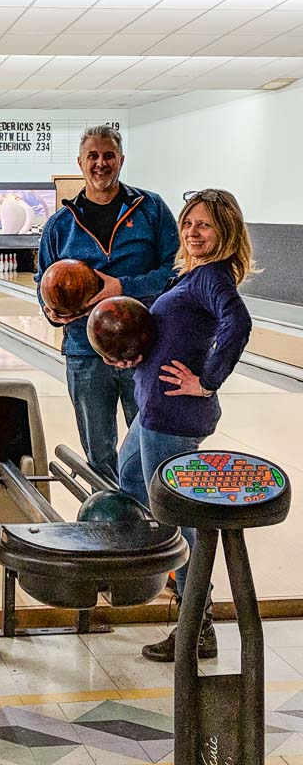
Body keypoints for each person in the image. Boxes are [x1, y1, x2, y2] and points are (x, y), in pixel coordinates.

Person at [117, 189, 253, 662]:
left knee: (179, 518)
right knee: (130, 475)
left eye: (205, 226)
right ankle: (166, 571)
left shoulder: (211, 277)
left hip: (173, 415)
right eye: (189, 223)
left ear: (225, 233)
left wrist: (208, 381)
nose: (193, 233)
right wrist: (140, 357)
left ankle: (197, 623)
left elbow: (238, 322)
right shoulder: (190, 275)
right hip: (154, 409)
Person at [36, 125, 179, 483]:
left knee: (148, 443)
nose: (101, 163)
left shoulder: (151, 210)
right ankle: (111, 525)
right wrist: (52, 312)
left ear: (121, 160)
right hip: (86, 353)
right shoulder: (59, 225)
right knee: (98, 452)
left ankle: (153, 524)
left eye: (108, 155)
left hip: (144, 350)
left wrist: (121, 286)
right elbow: (42, 282)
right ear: (81, 163)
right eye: (93, 156)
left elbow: (176, 271)